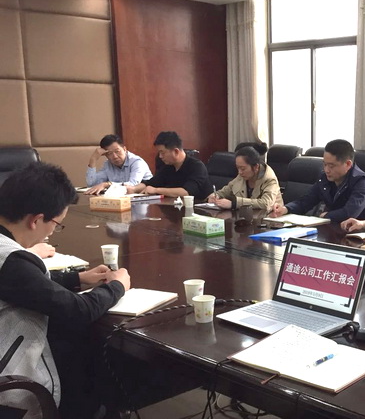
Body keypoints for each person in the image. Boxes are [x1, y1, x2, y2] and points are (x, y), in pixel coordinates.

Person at [0, 162, 130, 418]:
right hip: (11, 389)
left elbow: (26, 287)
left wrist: (78, 278)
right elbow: (78, 310)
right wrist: (117, 286)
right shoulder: (11, 260)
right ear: (36, 220)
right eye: (57, 224)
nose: (52, 231)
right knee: (89, 358)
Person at [269, 139, 365, 222]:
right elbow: (306, 201)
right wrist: (286, 209)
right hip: (334, 229)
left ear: (347, 164)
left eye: (331, 166)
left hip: (363, 235)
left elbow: (349, 213)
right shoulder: (325, 178)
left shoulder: (361, 182)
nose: (326, 170)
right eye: (325, 164)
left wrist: (325, 216)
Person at [127, 131, 210, 199]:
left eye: (162, 152)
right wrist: (133, 189)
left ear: (176, 151)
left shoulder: (197, 167)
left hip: (198, 210)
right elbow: (150, 183)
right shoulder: (168, 166)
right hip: (174, 209)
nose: (160, 156)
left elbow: (186, 192)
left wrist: (156, 190)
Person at [207, 146, 283, 211]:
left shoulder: (269, 179)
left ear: (256, 167)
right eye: (238, 168)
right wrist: (215, 196)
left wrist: (234, 203)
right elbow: (227, 190)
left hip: (269, 220)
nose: (240, 172)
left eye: (243, 168)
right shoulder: (242, 176)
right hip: (246, 218)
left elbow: (266, 203)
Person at [85, 134, 153, 195]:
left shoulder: (137, 162)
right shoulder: (108, 164)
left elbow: (132, 184)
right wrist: (93, 159)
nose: (115, 156)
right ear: (105, 155)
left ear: (124, 149)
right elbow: (91, 184)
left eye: (117, 151)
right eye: (109, 153)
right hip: (121, 200)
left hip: (145, 199)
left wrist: (107, 184)